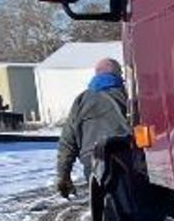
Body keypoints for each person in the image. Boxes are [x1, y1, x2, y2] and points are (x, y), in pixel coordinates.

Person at [55, 57, 132, 199]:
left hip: (92, 159)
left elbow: (67, 141)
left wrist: (63, 175)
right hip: (125, 156)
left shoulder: (81, 100)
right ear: (118, 75)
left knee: (102, 206)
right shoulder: (127, 97)